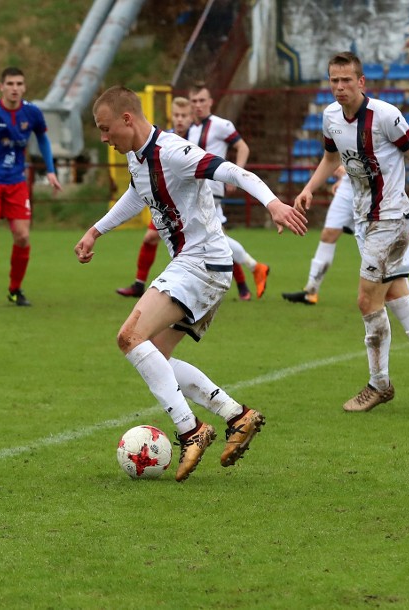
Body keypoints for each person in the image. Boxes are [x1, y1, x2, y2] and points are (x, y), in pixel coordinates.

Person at [74, 86, 307, 482]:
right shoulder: (137, 159)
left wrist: (272, 203)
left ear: (127, 119)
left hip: (200, 263)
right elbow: (137, 196)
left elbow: (233, 171)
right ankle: (237, 415)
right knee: (155, 357)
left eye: (106, 128)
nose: (103, 138)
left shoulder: (173, 152)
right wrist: (96, 231)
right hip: (201, 267)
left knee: (130, 337)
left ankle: (190, 430)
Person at [294, 51, 409, 412]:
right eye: (334, 80)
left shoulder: (385, 115)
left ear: (361, 82)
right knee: (397, 297)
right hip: (365, 219)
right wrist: (310, 188)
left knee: (367, 301)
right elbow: (331, 159)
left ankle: (379, 383)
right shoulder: (330, 117)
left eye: (347, 80)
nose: (340, 87)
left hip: (392, 219)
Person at [0, 67, 62, 307]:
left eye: (19, 84)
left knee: (23, 236)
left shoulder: (33, 113)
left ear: (24, 87)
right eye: (10, 84)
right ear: (1, 86)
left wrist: (50, 170)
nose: (15, 88)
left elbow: (44, 140)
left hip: (16, 182)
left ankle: (15, 290)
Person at [282, 165, 409, 305]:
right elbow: (333, 155)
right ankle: (310, 291)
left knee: (382, 240)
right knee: (328, 234)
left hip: (377, 187)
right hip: (348, 186)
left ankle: (406, 291)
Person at [187, 82, 270, 301]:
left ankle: (253, 269)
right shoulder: (192, 129)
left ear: (210, 102)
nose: (198, 105)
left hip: (211, 188)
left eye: (202, 100)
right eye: (194, 101)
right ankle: (247, 279)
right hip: (196, 189)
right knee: (214, 237)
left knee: (207, 237)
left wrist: (237, 175)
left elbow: (243, 147)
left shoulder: (221, 125)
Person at [115, 96, 193, 297]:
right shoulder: (165, 139)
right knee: (151, 237)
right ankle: (139, 284)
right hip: (167, 203)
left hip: (195, 203)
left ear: (192, 117)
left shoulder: (199, 139)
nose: (180, 119)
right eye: (176, 115)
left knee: (217, 243)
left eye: (184, 115)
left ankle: (244, 281)